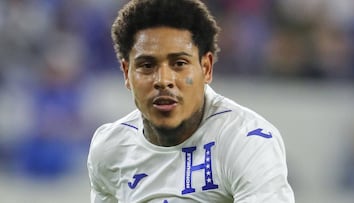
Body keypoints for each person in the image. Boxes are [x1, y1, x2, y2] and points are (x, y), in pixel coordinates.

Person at [87, 0, 295, 202]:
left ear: (206, 68)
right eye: (147, 65)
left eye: (179, 63)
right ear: (126, 73)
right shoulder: (110, 149)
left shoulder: (246, 140)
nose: (163, 81)